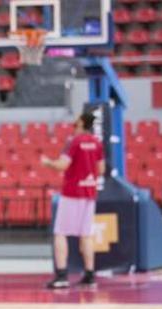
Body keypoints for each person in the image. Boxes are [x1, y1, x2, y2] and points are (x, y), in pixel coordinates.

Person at [41, 112, 105, 289]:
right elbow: (101, 169)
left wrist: (47, 162)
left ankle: (61, 275)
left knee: (60, 233)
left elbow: (62, 165)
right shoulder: (97, 143)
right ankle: (90, 275)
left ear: (81, 122)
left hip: (72, 193)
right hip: (90, 193)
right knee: (86, 234)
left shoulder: (75, 141)